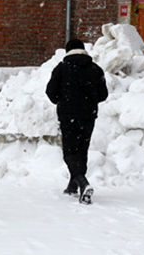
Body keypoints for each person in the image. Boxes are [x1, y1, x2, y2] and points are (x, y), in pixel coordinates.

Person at [45, 38, 108, 204]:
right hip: (88, 116)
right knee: (81, 150)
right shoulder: (95, 69)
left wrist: (63, 99)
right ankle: (73, 186)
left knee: (69, 152)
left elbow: (51, 93)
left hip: (68, 116)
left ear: (68, 51)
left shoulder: (62, 69)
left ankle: (82, 182)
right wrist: (89, 100)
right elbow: (103, 95)